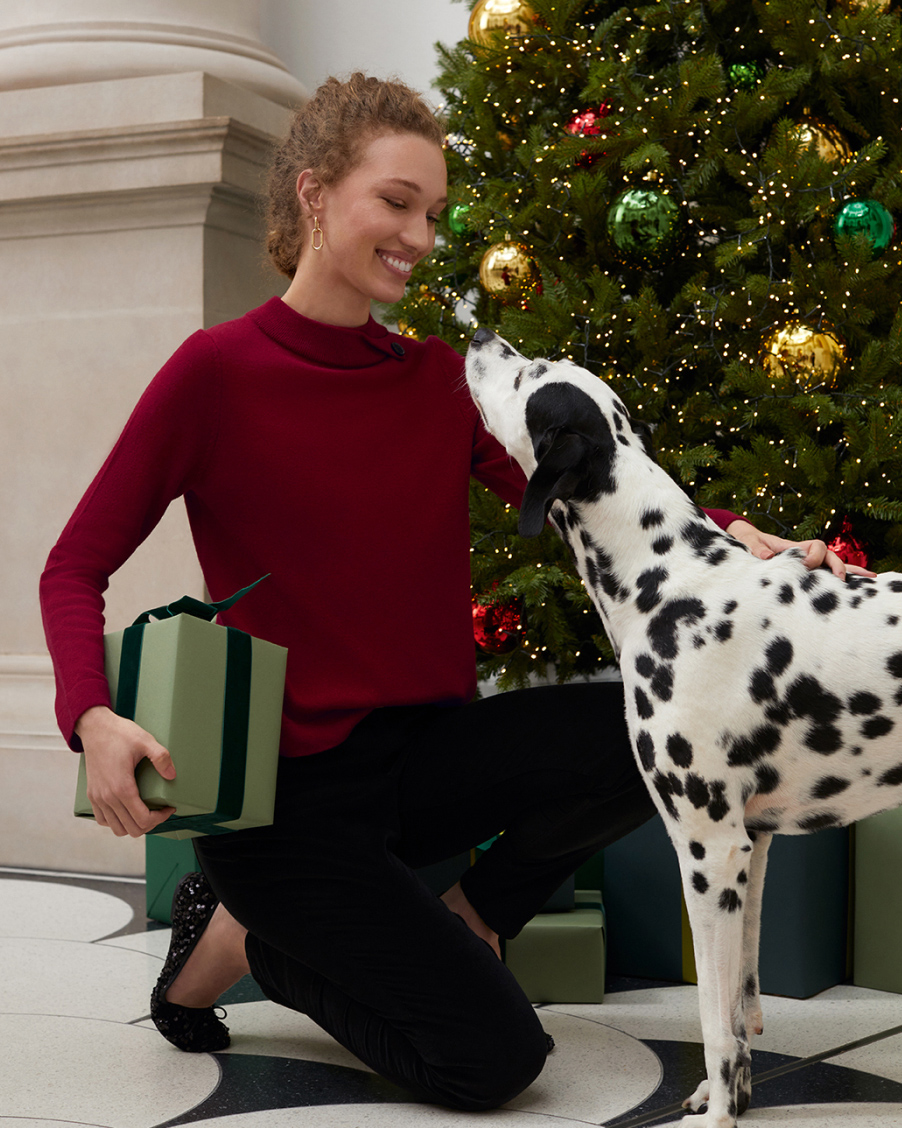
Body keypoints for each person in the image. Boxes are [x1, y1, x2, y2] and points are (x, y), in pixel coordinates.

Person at [39, 73, 866, 1111]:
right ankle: (260, 941)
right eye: (395, 203)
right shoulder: (214, 374)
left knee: (657, 731)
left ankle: (471, 912)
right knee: (494, 1063)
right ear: (313, 195)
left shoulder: (437, 383)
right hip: (286, 805)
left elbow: (595, 500)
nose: (419, 236)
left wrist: (743, 543)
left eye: (431, 213)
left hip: (422, 758)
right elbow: (73, 564)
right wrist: (93, 717)